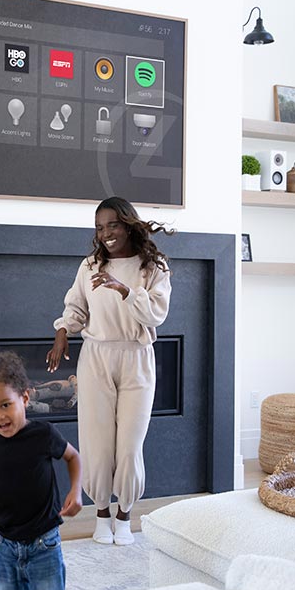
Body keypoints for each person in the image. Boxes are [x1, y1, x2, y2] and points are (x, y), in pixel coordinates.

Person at [46, 195, 173, 546]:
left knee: (130, 445)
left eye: (112, 225)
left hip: (137, 357)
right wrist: (62, 333)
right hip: (96, 357)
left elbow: (156, 315)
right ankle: (101, 512)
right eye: (100, 228)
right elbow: (75, 305)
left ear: (128, 224)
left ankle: (124, 514)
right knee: (97, 442)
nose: (106, 234)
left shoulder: (154, 267)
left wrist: (125, 290)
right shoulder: (90, 266)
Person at [0, 351, 82, 590]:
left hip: (44, 542)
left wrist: (76, 491)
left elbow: (73, 457)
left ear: (26, 399)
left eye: (5, 405)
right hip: (2, 542)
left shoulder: (44, 434)